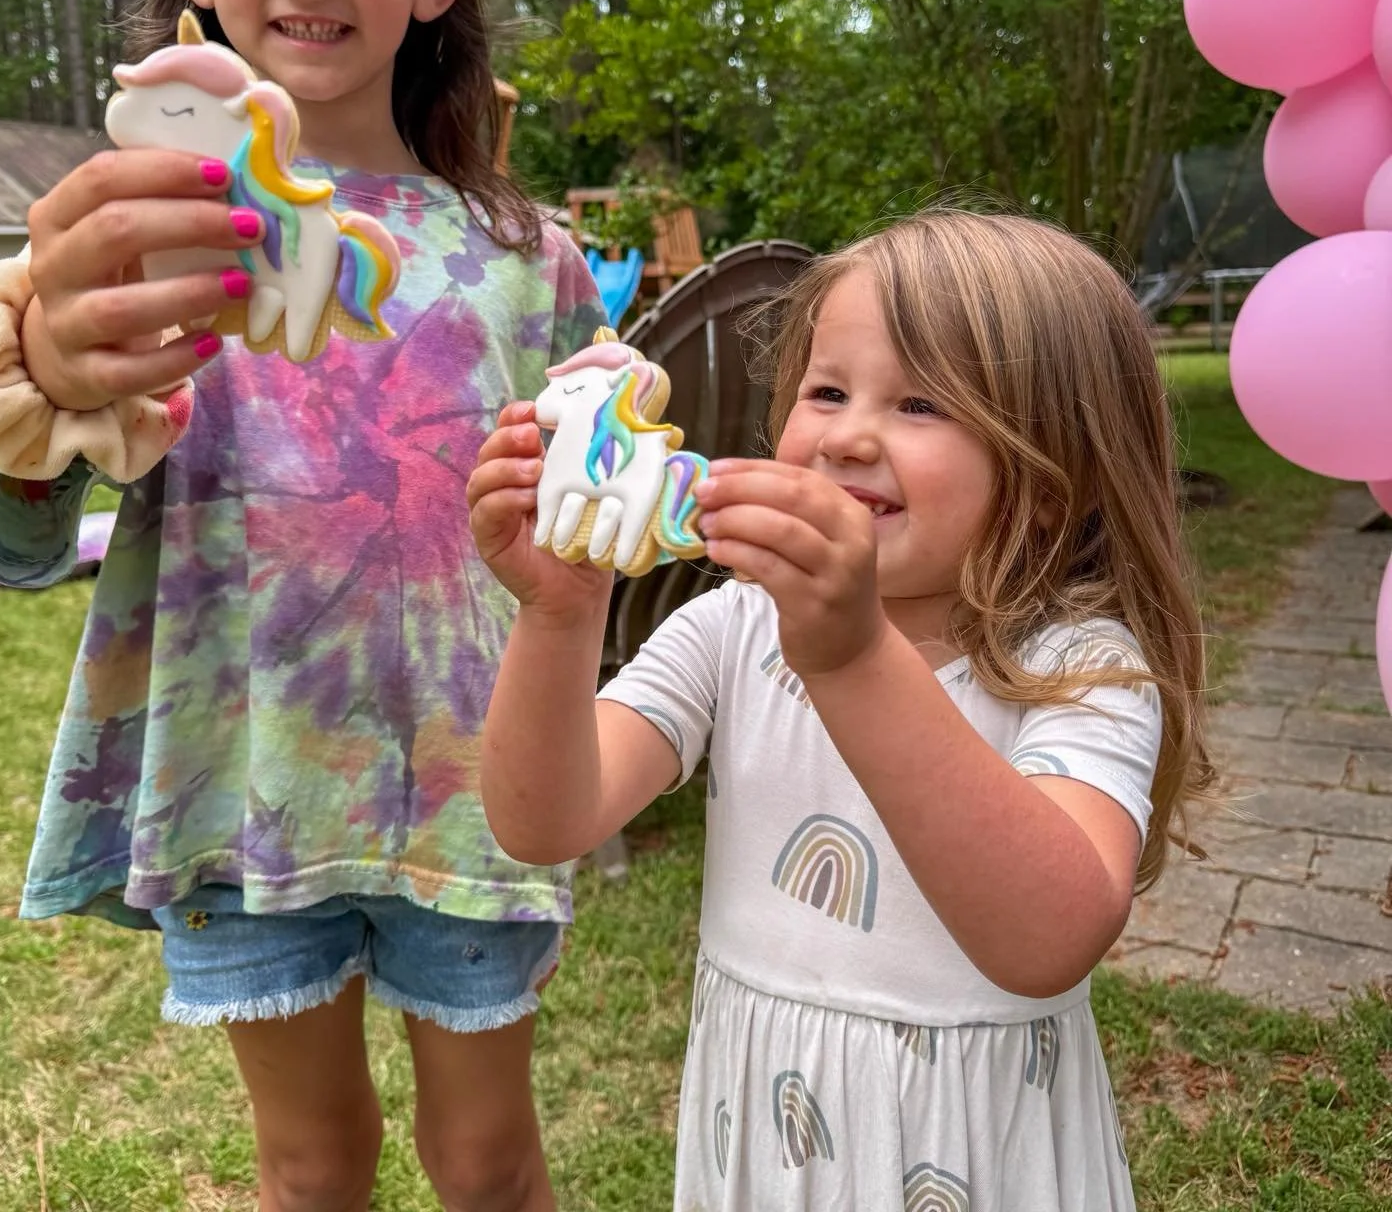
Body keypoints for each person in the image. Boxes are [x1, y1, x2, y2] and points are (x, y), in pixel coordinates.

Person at [0, 0, 605, 1208]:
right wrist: (41, 405)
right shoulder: (126, 239)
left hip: (469, 794)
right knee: (313, 1166)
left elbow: (584, 525)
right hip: (242, 793)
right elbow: (16, 548)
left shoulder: (528, 253)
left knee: (491, 1159)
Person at [468, 209, 1214, 1211]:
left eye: (921, 404)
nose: (850, 436)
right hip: (769, 1153)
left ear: (1049, 480)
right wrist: (559, 620)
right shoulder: (734, 629)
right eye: (827, 391)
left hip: (976, 1154)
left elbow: (1049, 940)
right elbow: (544, 820)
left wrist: (856, 656)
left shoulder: (1082, 669)